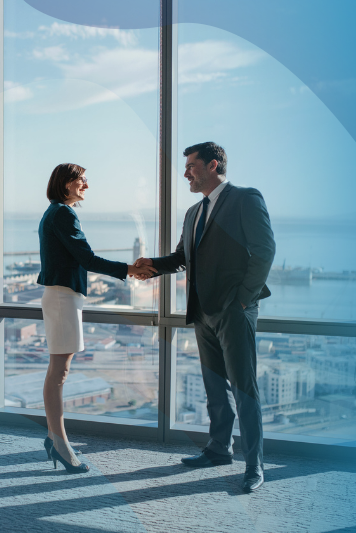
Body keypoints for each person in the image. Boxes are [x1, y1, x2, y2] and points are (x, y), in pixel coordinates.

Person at [135, 142, 275, 492]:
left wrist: (243, 300)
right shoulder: (194, 213)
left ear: (213, 165)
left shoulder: (246, 198)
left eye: (191, 167)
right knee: (215, 388)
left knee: (245, 390)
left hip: (234, 312)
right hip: (202, 313)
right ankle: (218, 449)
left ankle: (254, 465)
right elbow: (179, 258)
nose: (186, 173)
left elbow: (265, 250)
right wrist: (147, 268)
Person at [38, 163, 156, 474]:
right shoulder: (62, 213)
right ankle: (59, 442)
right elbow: (86, 258)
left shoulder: (56, 212)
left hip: (64, 298)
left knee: (59, 371)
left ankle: (55, 438)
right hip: (63, 299)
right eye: (82, 181)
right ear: (66, 184)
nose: (86, 186)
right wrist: (131, 271)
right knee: (59, 373)